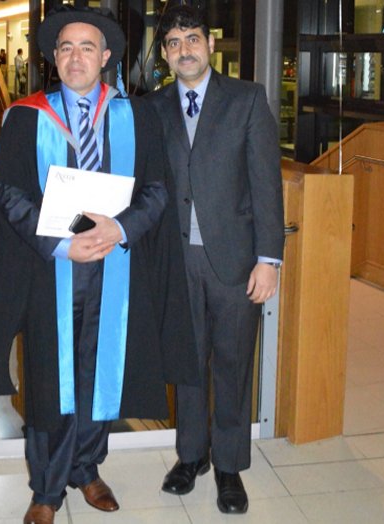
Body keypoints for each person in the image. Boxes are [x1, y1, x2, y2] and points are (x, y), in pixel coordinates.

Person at [0, 6, 197, 524]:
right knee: (52, 381)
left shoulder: (136, 116)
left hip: (115, 270)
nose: (76, 57)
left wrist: (120, 229)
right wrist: (59, 243)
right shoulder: (27, 117)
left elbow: (157, 190)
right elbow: (8, 194)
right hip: (50, 272)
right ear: (54, 58)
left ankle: (87, 468)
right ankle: (46, 489)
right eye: (66, 48)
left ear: (106, 56)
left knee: (101, 375)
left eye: (87, 47)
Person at [147, 5, 285, 515]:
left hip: (235, 261)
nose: (184, 49)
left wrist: (269, 259)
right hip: (176, 259)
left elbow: (266, 184)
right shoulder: (153, 107)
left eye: (193, 39)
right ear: (165, 54)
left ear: (210, 43)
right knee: (186, 363)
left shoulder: (246, 99)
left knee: (232, 363)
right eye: (174, 42)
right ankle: (191, 456)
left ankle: (228, 466)